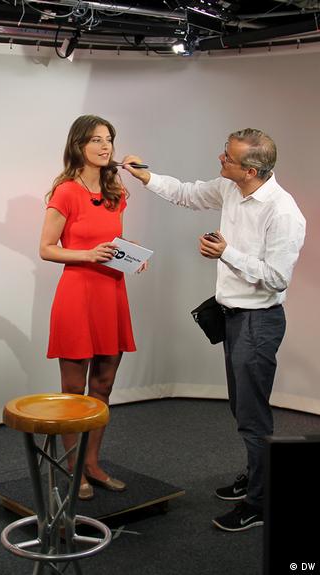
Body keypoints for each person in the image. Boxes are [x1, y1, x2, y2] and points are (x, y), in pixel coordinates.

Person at [122, 128, 306, 531]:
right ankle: (256, 478)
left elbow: (277, 278)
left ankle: (260, 502)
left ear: (251, 170)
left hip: (258, 322)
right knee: (242, 410)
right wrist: (146, 177)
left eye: (228, 158)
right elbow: (187, 193)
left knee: (252, 416)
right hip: (234, 317)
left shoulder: (283, 212)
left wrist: (228, 253)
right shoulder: (230, 188)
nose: (220, 160)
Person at [39, 114, 147, 501]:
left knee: (103, 386)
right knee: (73, 390)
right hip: (77, 294)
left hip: (111, 293)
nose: (105, 147)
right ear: (78, 145)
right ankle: (73, 468)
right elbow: (46, 248)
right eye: (96, 140)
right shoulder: (66, 191)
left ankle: (93, 464)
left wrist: (130, 255)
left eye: (109, 140)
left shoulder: (116, 190)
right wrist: (87, 254)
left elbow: (111, 239)